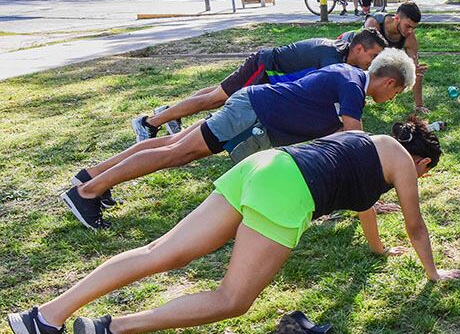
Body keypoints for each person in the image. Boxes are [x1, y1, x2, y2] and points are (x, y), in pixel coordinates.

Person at [10, 118, 460, 334]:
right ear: (422, 162)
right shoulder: (404, 163)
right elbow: (415, 224)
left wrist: (378, 248)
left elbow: (364, 204)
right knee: (234, 298)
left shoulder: (367, 142)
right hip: (289, 189)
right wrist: (432, 274)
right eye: (424, 173)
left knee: (161, 251)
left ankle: (46, 317)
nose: (419, 179)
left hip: (263, 166)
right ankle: (113, 331)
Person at [62, 49, 417, 230]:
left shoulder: (348, 75)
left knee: (173, 145)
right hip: (252, 115)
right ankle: (87, 193)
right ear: (389, 83)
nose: (393, 98)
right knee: (177, 153)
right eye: (398, 93)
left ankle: (92, 176)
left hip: (253, 110)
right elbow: (352, 148)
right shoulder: (353, 87)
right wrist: (369, 196)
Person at [129, 28, 388, 142]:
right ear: (358, 48)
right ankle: (149, 124)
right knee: (217, 99)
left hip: (267, 74)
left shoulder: (342, 52)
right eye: (372, 56)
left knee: (216, 93)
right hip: (265, 70)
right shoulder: (332, 59)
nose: (372, 63)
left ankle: (168, 112)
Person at [364, 2, 427, 113]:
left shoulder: (409, 38)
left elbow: (415, 72)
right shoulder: (374, 24)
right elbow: (365, 60)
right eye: (407, 26)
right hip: (353, 53)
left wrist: (419, 105)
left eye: (413, 28)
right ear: (397, 18)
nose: (410, 31)